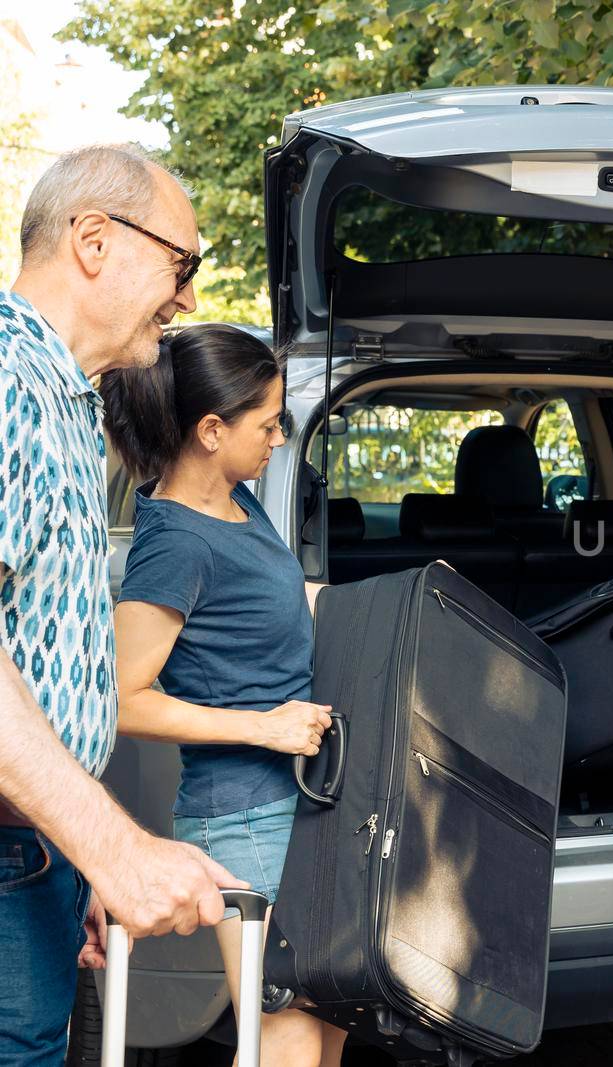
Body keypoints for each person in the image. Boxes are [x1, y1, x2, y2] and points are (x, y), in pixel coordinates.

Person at [1, 145, 245, 1065]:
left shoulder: (62, 399)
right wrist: (111, 845)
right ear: (94, 241)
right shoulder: (7, 387)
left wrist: (74, 851)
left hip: (33, 852)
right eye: (182, 263)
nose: (185, 297)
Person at [101, 324, 348, 1067]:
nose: (279, 436)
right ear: (211, 430)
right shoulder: (173, 541)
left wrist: (401, 611)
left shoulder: (241, 505)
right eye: (268, 422)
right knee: (283, 1040)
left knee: (327, 1023)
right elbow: (122, 698)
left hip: (300, 801)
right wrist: (262, 727)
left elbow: (280, 601)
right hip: (242, 817)